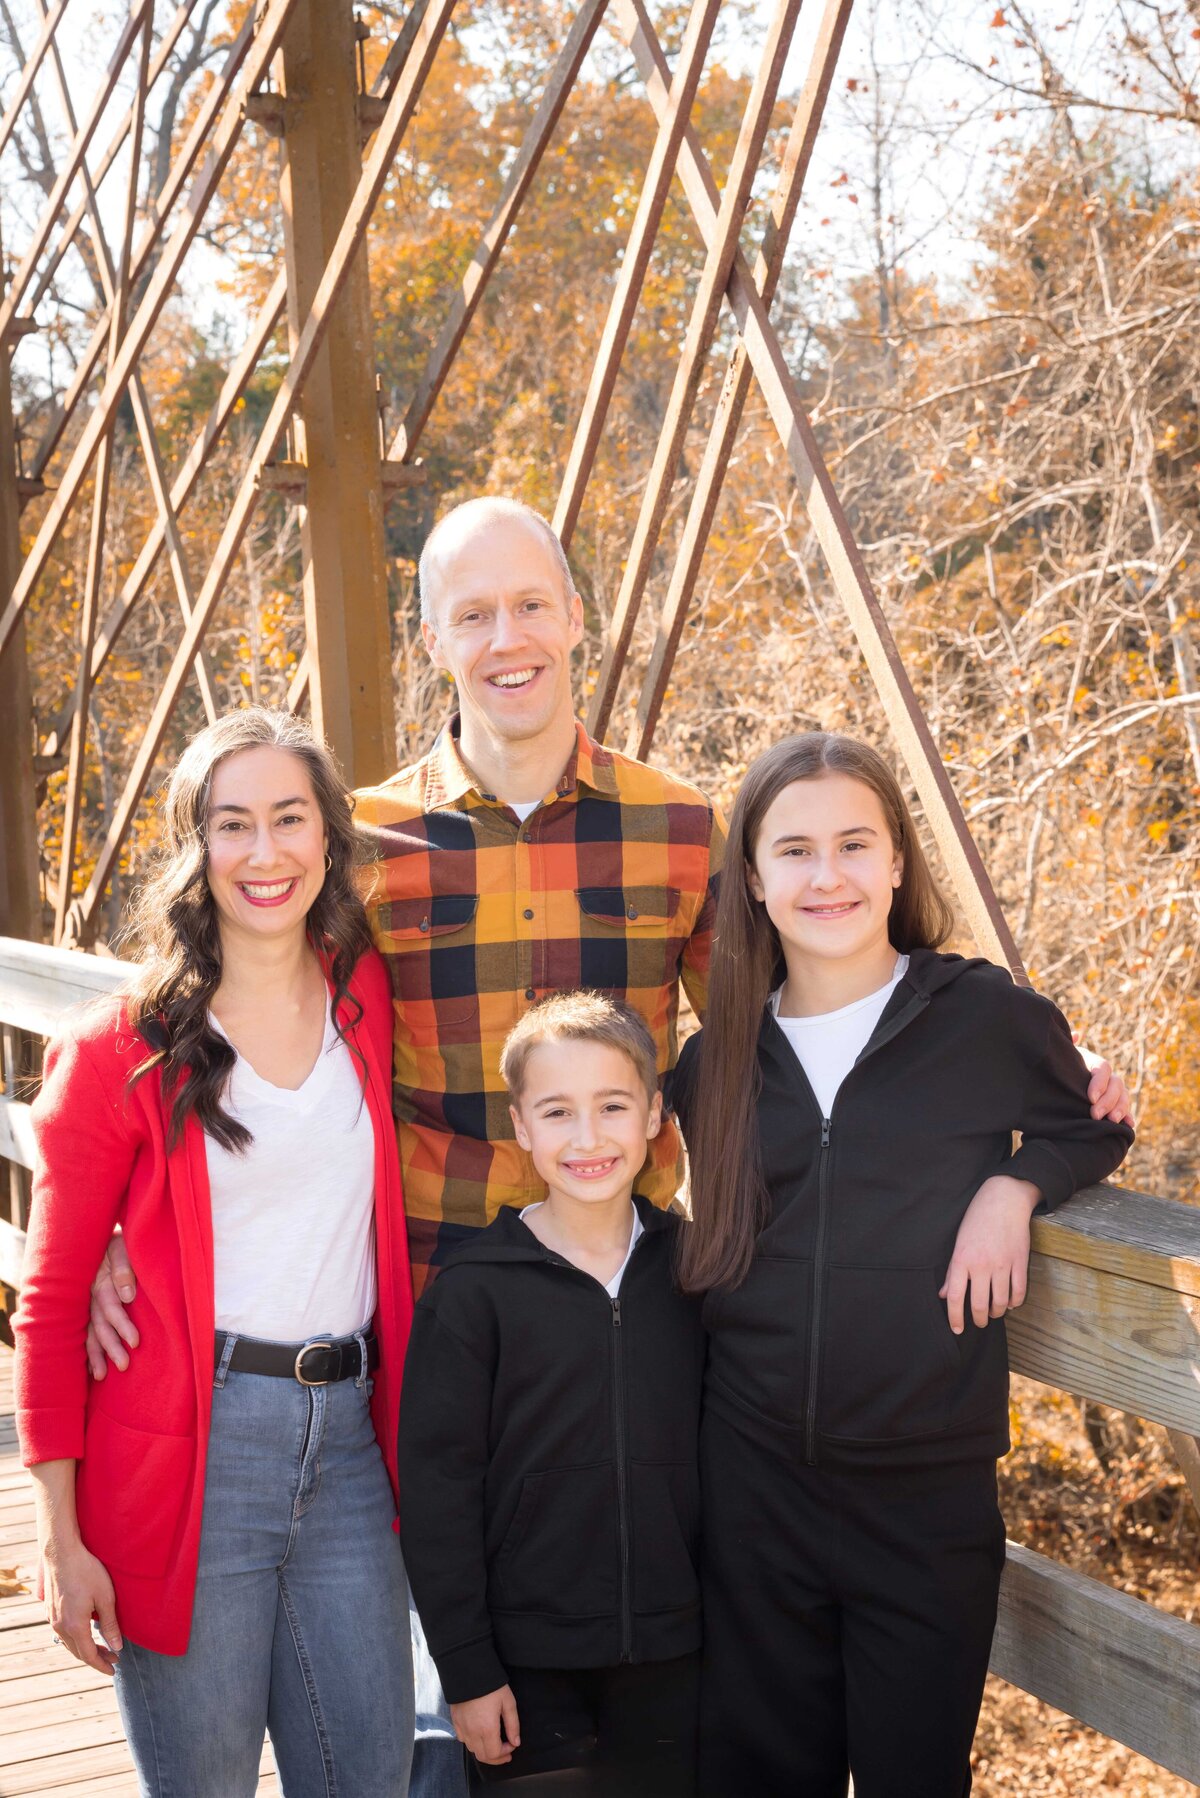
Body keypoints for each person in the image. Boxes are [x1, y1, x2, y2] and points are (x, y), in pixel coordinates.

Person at [83, 500, 1131, 1792]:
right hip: (434, 1309)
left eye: (533, 604)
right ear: (431, 639)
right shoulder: (361, 843)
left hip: (630, 1320)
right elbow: (238, 1018)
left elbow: (779, 1015)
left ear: (577, 617)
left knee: (650, 1689)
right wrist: (126, 1219)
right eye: (473, 613)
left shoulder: (679, 830)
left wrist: (1027, 1128)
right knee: (443, 1688)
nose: (508, 636)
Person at [671, 732, 1135, 1798]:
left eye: (852, 843)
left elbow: (1095, 1124)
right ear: (751, 875)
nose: (825, 874)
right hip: (752, 1494)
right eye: (793, 850)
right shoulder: (719, 1056)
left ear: (895, 862)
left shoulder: (980, 1017)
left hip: (924, 1502)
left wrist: (1014, 1187)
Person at [14, 709, 416, 1797]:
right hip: (191, 1454)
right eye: (231, 824)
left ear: (329, 837)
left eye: (290, 817)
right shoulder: (119, 1050)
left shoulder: (363, 996)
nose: (265, 851)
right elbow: (50, 1306)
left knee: (368, 1777)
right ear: (197, 847)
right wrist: (60, 1533)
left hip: (346, 1450)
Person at [399, 993, 705, 1794]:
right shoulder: (473, 1292)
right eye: (558, 1111)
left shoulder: (698, 1275)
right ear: (522, 1126)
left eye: (612, 1106)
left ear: (652, 1116)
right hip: (526, 1668)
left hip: (684, 1655)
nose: (588, 1137)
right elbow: (439, 1495)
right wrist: (465, 1671)